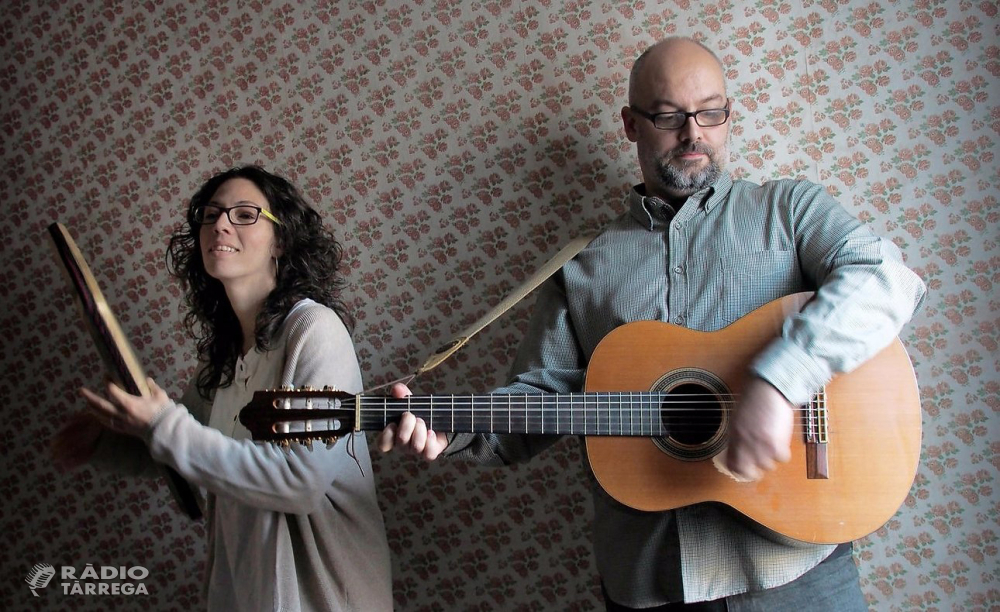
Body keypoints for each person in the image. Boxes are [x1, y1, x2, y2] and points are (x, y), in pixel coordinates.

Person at [376, 37, 926, 610]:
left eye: (712, 112)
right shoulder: (582, 264)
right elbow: (539, 403)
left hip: (795, 571)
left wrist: (782, 379)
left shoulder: (788, 211)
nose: (694, 134)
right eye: (668, 116)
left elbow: (887, 279)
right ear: (631, 125)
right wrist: (450, 428)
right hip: (650, 581)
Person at [52, 165, 393, 611]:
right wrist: (105, 439)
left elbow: (301, 482)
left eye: (245, 214)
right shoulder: (226, 357)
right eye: (211, 214)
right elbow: (187, 450)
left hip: (320, 598)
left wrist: (161, 423)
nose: (220, 224)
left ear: (282, 240)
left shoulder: (314, 330)